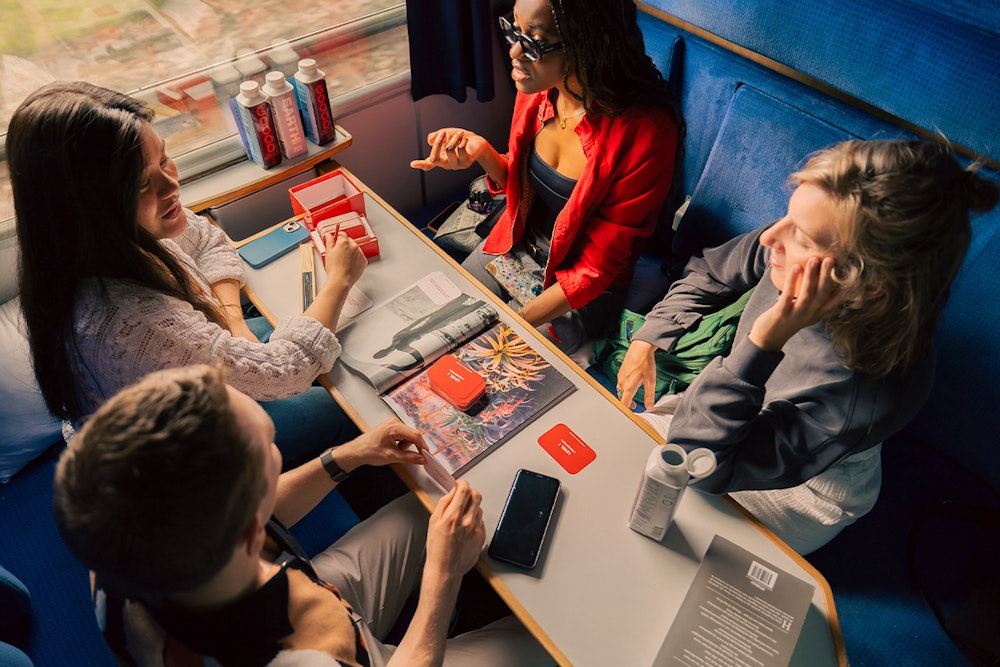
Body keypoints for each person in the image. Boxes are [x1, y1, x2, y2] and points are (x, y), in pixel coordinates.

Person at [616, 139, 1000, 554]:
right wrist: (649, 337)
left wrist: (763, 341)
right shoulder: (798, 250)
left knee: (657, 532)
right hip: (730, 408)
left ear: (867, 284)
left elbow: (698, 467)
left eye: (800, 233)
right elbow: (713, 269)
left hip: (806, 483)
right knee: (614, 466)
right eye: (788, 216)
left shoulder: (867, 396)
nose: (770, 238)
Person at [53, 364, 554, 666]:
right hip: (332, 643)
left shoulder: (121, 534)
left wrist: (347, 455)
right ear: (251, 533)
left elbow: (261, 508)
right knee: (540, 647)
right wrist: (443, 576)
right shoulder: (302, 657)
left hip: (307, 591)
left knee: (424, 511)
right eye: (271, 449)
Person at [8, 81, 365, 468]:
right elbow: (284, 373)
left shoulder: (103, 241)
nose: (171, 185)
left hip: (188, 386)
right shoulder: (132, 321)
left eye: (163, 160)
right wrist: (339, 280)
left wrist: (232, 321)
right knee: (345, 404)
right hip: (185, 454)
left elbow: (208, 237)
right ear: (89, 207)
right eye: (143, 183)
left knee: (290, 329)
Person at [411, 0, 683, 354]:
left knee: (482, 354)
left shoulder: (647, 134)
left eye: (534, 42)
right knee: (434, 326)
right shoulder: (539, 91)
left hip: (573, 290)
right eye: (514, 30)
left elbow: (598, 268)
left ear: (586, 45)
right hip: (516, 247)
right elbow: (527, 190)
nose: (514, 50)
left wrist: (514, 321)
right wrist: (484, 154)